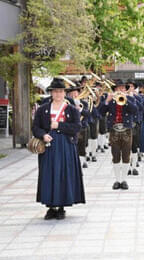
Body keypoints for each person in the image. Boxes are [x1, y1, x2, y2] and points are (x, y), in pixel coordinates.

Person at [32, 78, 85, 220]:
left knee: (63, 174)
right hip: (48, 147)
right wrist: (43, 135)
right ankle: (50, 207)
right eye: (55, 91)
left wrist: (59, 126)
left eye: (60, 91)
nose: (58, 94)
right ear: (51, 93)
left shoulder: (72, 110)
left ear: (64, 93)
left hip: (66, 145)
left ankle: (61, 207)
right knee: (48, 175)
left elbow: (77, 127)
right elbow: (35, 127)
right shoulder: (43, 110)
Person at [98, 79, 138, 190]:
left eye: (122, 88)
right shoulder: (110, 100)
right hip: (114, 129)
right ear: (114, 89)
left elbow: (135, 110)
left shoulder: (130, 98)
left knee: (126, 154)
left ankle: (124, 180)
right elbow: (100, 112)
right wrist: (107, 101)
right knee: (115, 155)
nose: (120, 90)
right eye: (118, 88)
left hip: (126, 129)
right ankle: (117, 180)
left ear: (125, 90)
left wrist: (126, 100)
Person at [66, 82, 91, 169]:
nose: (73, 94)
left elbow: (88, 114)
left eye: (75, 92)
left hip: (82, 127)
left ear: (78, 93)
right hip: (71, 128)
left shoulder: (84, 103)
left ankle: (81, 163)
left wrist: (80, 109)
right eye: (71, 93)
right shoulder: (67, 103)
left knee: (82, 146)